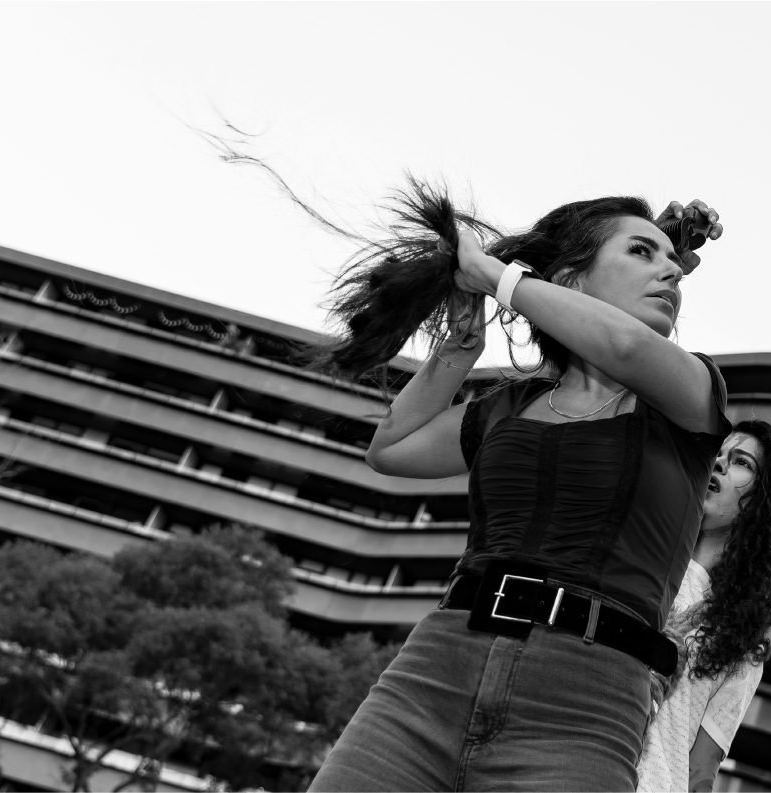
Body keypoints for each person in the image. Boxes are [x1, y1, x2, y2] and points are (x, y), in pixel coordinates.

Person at [302, 186, 730, 792]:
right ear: (571, 282)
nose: (670, 272)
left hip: (586, 702)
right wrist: (458, 350)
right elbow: (391, 449)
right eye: (642, 252)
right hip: (433, 674)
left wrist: (492, 276)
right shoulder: (509, 408)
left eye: (671, 262)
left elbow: (626, 345)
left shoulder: (690, 397)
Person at [635, 420, 771, 792]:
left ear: (761, 504)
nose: (718, 463)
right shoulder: (638, 555)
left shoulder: (744, 640)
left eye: (741, 462)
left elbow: (701, 771)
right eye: (719, 454)